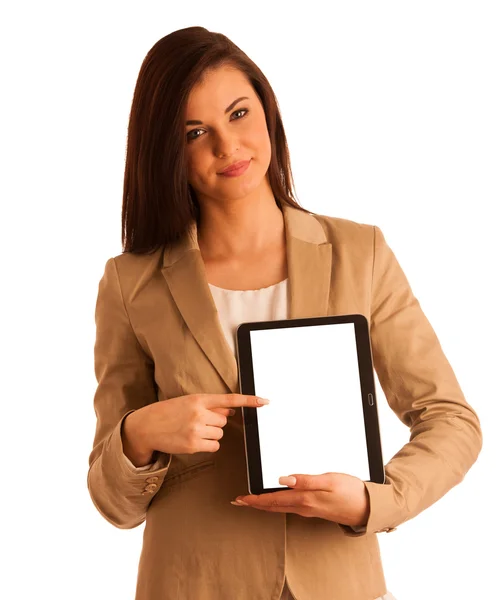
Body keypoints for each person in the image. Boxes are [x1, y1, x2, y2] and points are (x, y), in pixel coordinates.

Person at [87, 26, 483, 600]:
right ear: (167, 151)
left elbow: (451, 419)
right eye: (196, 132)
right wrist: (139, 434)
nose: (228, 147)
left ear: (268, 111)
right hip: (191, 584)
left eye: (239, 114)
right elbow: (113, 503)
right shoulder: (130, 282)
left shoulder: (360, 253)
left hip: (338, 581)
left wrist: (375, 499)